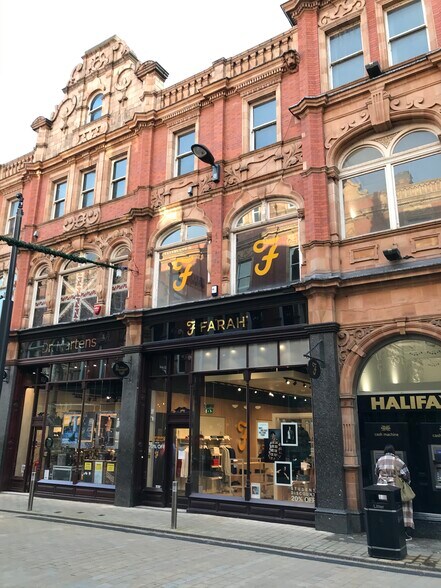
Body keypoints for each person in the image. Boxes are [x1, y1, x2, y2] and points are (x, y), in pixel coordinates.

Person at [375, 444, 415, 540]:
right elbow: (406, 475)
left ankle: (387, 532)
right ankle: (403, 532)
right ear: (394, 451)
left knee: (386, 509)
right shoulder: (398, 461)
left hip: (382, 489)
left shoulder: (379, 460)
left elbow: (376, 472)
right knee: (403, 508)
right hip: (395, 489)